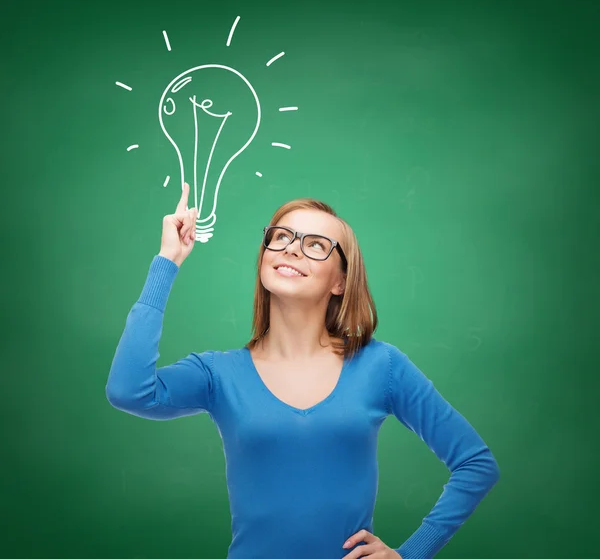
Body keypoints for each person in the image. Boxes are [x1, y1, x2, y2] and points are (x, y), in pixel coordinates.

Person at [106, 182, 500, 559]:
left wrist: (410, 554)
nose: (292, 250)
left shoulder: (382, 366)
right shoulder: (217, 374)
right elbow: (129, 391)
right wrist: (167, 261)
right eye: (281, 237)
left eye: (315, 245)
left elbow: (475, 463)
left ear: (341, 281)